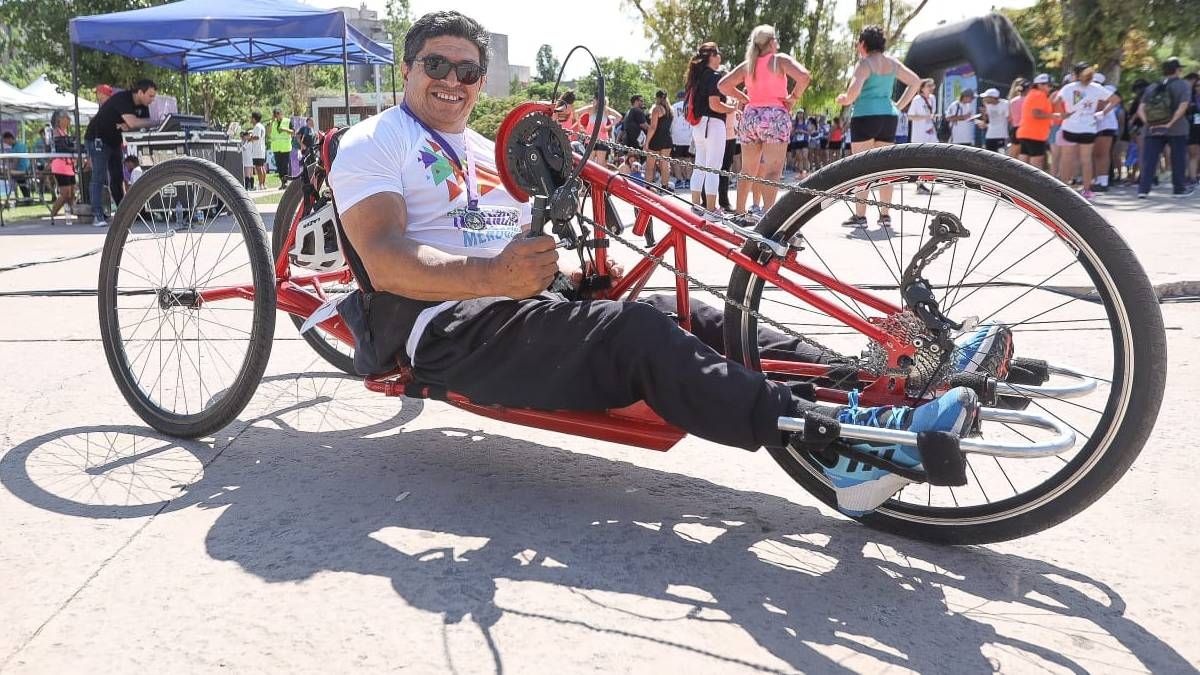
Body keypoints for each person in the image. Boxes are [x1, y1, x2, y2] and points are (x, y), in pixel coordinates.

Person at [328, 10, 991, 516]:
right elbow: (383, 260)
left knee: (688, 311)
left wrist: (571, 275)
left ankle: (886, 387)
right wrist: (492, 279)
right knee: (634, 333)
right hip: (444, 327)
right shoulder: (376, 141)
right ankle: (838, 448)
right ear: (409, 69)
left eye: (467, 72)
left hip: (519, 309)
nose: (452, 82)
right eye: (436, 66)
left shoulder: (481, 146)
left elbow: (514, 239)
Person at [718, 24, 811, 216]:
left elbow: (723, 85)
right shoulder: (779, 60)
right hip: (775, 116)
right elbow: (804, 76)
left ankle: (740, 213)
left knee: (747, 170)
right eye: (775, 38)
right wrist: (793, 97)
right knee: (772, 172)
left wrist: (743, 98)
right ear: (770, 43)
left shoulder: (748, 65)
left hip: (751, 117)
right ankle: (769, 217)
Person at [834, 25, 921, 228]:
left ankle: (860, 216)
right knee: (884, 168)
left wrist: (844, 99)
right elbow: (915, 82)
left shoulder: (864, 64)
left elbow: (853, 92)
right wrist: (898, 106)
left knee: (861, 168)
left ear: (864, 44)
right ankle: (885, 215)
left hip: (865, 116)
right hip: (888, 116)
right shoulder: (892, 62)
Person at [83, 79, 157, 228]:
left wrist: (134, 123)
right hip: (97, 139)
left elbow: (137, 124)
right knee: (99, 176)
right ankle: (97, 215)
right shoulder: (123, 99)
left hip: (114, 140)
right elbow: (134, 123)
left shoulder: (143, 106)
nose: (152, 99)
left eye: (154, 96)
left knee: (117, 177)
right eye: (150, 95)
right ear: (140, 92)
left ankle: (123, 213)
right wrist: (146, 122)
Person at [683, 41, 736, 217]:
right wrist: (732, 108)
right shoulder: (714, 76)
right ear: (712, 56)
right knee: (714, 167)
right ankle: (712, 209)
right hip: (713, 124)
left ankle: (696, 206)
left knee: (700, 165)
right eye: (718, 53)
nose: (720, 57)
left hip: (699, 125)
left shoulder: (696, 77)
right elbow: (715, 105)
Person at [1053, 63, 1118, 199]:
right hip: (1088, 128)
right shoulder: (1096, 87)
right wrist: (1102, 113)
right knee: (1086, 160)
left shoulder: (1068, 87)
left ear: (1075, 74)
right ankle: (1087, 190)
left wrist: (1063, 114)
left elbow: (1056, 100)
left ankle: (1064, 190)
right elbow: (1115, 100)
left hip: (1070, 127)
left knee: (1066, 159)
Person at [1137, 57, 1193, 198]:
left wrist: (1149, 124)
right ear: (1177, 70)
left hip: (1152, 129)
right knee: (1178, 158)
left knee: (1149, 160)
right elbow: (1183, 106)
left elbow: (1140, 109)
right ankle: (1179, 189)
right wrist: (1168, 124)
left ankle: (1143, 190)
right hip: (1177, 129)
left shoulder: (1152, 86)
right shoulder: (1183, 85)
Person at [1017, 74, 1060, 170]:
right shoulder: (1039, 95)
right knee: (1036, 164)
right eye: (1049, 85)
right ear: (1040, 85)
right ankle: (1031, 184)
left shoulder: (1032, 94)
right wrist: (1053, 116)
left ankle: (1018, 182)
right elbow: (1036, 114)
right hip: (1035, 134)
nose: (1050, 88)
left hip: (1026, 132)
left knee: (1023, 160)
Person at [639, 91, 674, 190]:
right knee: (665, 164)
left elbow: (653, 127)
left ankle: (647, 187)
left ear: (657, 98)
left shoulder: (656, 109)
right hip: (667, 138)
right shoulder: (671, 110)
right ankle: (664, 186)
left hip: (656, 139)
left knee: (650, 165)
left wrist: (647, 143)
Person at [47, 110, 77, 224]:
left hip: (69, 165)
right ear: (59, 120)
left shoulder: (64, 132)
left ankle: (72, 214)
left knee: (72, 192)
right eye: (66, 118)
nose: (69, 120)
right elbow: (60, 147)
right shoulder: (55, 132)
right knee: (65, 193)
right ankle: (52, 215)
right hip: (60, 166)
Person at [576, 94, 621, 166]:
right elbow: (576, 112)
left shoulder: (606, 109)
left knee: (599, 165)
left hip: (601, 140)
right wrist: (580, 126)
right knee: (589, 163)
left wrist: (609, 126)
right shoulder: (591, 108)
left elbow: (619, 116)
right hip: (591, 139)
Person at [1093, 77, 1120, 191]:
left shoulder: (1103, 90)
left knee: (1103, 154)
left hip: (1106, 125)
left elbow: (1101, 104)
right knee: (1097, 154)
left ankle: (1103, 182)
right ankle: (1099, 180)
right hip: (1098, 126)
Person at [668, 90, 693, 189]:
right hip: (689, 137)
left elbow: (670, 123)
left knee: (676, 160)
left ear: (678, 97)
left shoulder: (673, 107)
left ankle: (679, 180)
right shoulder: (691, 106)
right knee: (688, 159)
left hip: (676, 138)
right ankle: (688, 180)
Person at [268, 108, 294, 189]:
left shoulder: (287, 121)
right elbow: (268, 133)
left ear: (281, 114)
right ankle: (282, 182)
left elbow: (293, 132)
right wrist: (271, 121)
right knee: (279, 167)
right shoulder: (273, 123)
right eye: (275, 114)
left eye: (278, 114)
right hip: (276, 148)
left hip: (285, 147)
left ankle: (285, 182)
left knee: (285, 166)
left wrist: (284, 129)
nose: (277, 116)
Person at [980, 88, 1009, 152]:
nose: (984, 99)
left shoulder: (1005, 104)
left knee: (1001, 155)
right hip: (989, 135)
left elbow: (1009, 119)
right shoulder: (986, 104)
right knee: (989, 155)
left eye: (986, 97)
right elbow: (985, 121)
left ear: (993, 97)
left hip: (1002, 135)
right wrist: (983, 113)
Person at [1007, 78, 1028, 158]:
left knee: (1013, 153)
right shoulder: (1027, 99)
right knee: (1021, 153)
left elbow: (1009, 117)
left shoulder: (1012, 100)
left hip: (1014, 127)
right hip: (1024, 127)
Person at [1186, 73, 1199, 185]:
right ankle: (1192, 177)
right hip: (1193, 128)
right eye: (1197, 85)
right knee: (1193, 153)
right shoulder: (1190, 98)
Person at [248, 111, 267, 190]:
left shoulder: (257, 127)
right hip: (261, 149)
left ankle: (260, 184)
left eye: (251, 118)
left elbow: (257, 137)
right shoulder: (262, 126)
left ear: (254, 118)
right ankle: (263, 184)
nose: (251, 120)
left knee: (258, 168)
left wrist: (250, 138)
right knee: (262, 167)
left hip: (257, 150)